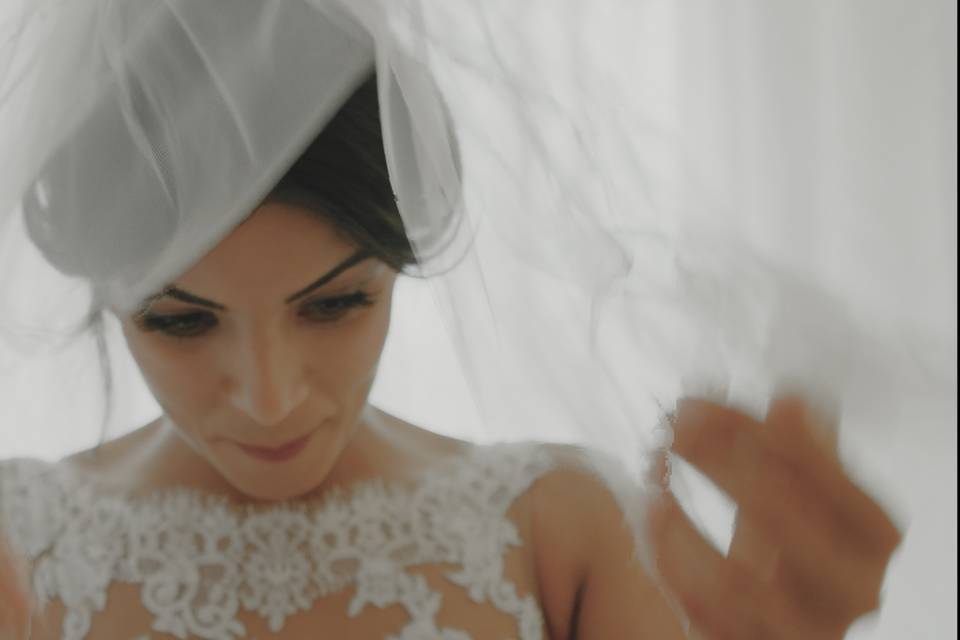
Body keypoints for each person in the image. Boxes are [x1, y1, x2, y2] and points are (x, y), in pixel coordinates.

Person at [0, 1, 949, 639]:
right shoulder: (15, 542)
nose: (269, 397)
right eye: (181, 321)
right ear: (103, 291)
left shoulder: (561, 528)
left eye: (336, 303)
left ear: (402, 258)